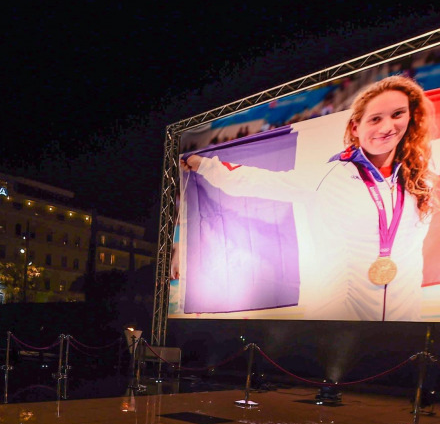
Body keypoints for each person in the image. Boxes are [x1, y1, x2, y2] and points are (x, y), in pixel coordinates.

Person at [182, 75, 438, 321]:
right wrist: (205, 165)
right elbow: (257, 181)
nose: (386, 127)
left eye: (397, 114)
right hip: (340, 324)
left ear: (410, 118)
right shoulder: (328, 175)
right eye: (375, 119)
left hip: (405, 322)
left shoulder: (422, 181)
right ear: (355, 126)